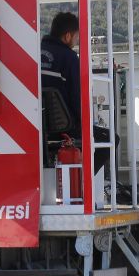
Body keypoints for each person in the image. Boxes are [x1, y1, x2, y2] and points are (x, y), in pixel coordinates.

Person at [40, 12, 115, 174]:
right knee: (110, 139)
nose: (76, 41)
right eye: (76, 37)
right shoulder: (69, 58)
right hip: (65, 127)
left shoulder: (32, 52)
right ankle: (82, 182)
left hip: (38, 127)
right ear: (67, 36)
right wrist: (86, 124)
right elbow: (78, 98)